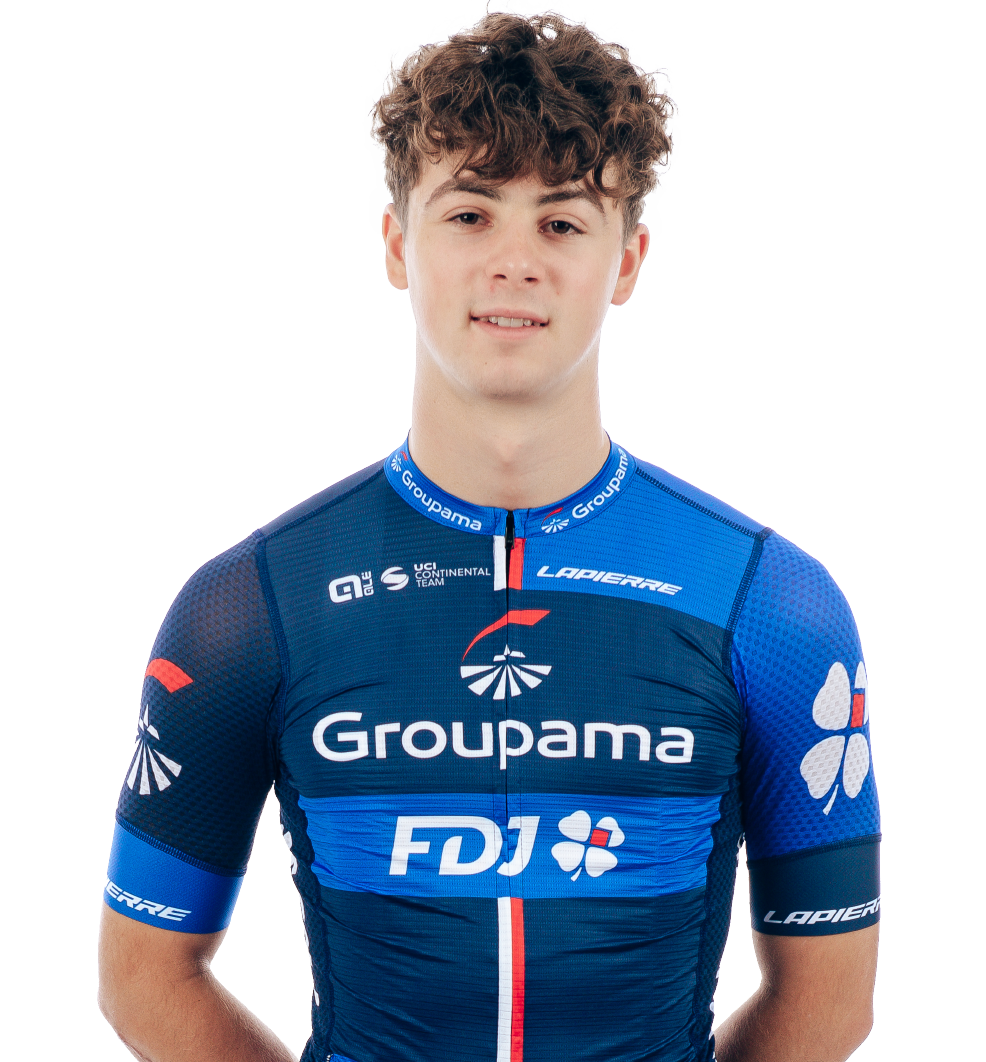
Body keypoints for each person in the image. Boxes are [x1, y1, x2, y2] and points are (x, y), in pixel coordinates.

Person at [98, 11, 879, 1062]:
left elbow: (828, 997)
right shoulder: (250, 606)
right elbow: (144, 974)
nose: (514, 263)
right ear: (397, 248)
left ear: (628, 261)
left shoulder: (771, 606)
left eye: (561, 223)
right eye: (469, 214)